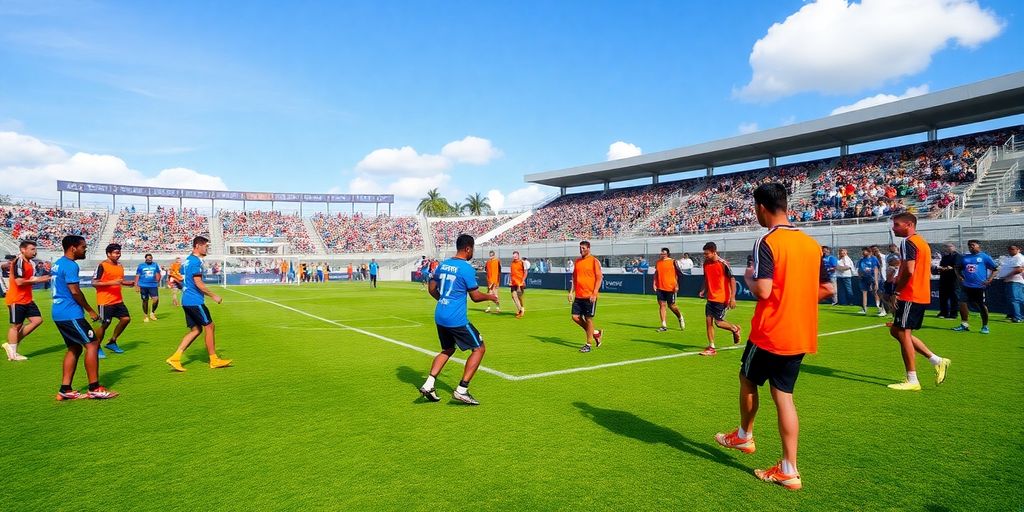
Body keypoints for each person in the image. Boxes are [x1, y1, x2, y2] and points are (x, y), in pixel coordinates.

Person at [714, 183, 832, 490]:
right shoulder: (810, 244)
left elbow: (764, 290)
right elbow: (827, 289)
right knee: (784, 397)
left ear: (761, 207)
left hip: (770, 332)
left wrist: (749, 278)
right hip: (800, 332)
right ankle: (789, 469)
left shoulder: (768, 240)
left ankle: (743, 436)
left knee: (746, 378)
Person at [418, 234, 499, 405]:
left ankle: (429, 384)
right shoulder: (466, 269)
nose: (473, 252)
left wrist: (443, 300)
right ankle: (462, 390)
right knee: (479, 348)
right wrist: (491, 297)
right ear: (468, 248)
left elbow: (432, 288)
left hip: (440, 314)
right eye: (473, 249)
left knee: (447, 349)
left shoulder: (443, 264)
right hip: (456, 319)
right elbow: (475, 297)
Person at [887, 212, 951, 391]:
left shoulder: (908, 242)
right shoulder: (921, 242)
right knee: (896, 331)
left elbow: (909, 270)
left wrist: (897, 291)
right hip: (919, 294)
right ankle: (937, 360)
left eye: (897, 224)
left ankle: (912, 380)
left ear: (909, 224)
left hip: (910, 294)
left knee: (903, 333)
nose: (894, 227)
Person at [52, 235, 118, 400]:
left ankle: (65, 389)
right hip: (70, 312)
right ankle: (94, 387)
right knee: (93, 343)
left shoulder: (57, 263)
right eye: (83, 247)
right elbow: (75, 291)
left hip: (58, 312)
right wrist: (90, 310)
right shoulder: (70, 265)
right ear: (73, 248)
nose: (85, 249)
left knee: (74, 348)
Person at [165, 236, 231, 372]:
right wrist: (214, 296)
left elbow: (180, 280)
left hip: (187, 301)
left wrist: (176, 283)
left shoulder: (187, 261)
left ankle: (175, 358)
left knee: (196, 330)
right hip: (195, 301)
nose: (207, 248)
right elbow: (198, 283)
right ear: (198, 246)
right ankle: (214, 360)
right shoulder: (195, 262)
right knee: (210, 326)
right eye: (206, 245)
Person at [4, 240, 51, 361]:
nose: (34, 252)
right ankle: (13, 353)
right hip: (16, 299)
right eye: (32, 249)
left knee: (37, 320)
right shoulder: (18, 261)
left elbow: (29, 278)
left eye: (35, 249)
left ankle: (11, 344)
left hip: (27, 298)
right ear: (22, 250)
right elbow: (19, 282)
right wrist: (39, 280)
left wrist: (41, 278)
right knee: (16, 325)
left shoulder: (30, 263)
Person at [698, 242, 740, 356]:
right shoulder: (706, 263)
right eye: (704, 254)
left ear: (714, 252)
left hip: (722, 298)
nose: (705, 256)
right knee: (708, 322)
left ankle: (735, 329)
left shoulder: (723, 264)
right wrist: (704, 290)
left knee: (719, 323)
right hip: (710, 297)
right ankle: (711, 347)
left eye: (707, 254)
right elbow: (706, 278)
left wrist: (732, 298)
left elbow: (732, 280)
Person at [93, 244, 131, 358]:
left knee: (126, 319)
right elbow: (94, 283)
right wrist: (113, 283)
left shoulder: (120, 266)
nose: (118, 255)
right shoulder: (102, 265)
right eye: (115, 252)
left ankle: (112, 341)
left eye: (119, 252)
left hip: (118, 300)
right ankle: (96, 347)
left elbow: (118, 281)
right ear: (109, 254)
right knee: (104, 324)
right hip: (105, 301)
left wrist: (126, 283)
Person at [953, 239, 998, 334]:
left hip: (979, 286)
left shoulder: (984, 257)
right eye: (969, 245)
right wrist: (959, 276)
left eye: (973, 245)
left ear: (979, 246)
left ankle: (985, 326)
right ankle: (964, 324)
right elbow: (957, 268)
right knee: (962, 303)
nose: (970, 247)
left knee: (981, 305)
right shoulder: (965, 258)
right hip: (966, 286)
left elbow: (995, 269)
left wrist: (989, 279)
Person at [571, 241, 603, 353]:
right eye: (580, 248)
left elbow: (599, 278)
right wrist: (571, 292)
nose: (581, 250)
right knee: (575, 317)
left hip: (590, 296)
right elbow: (574, 278)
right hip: (579, 295)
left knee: (588, 319)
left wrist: (594, 293)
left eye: (583, 248)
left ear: (589, 248)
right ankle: (595, 333)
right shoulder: (577, 261)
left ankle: (588, 344)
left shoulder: (594, 261)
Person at [652, 247, 684, 332]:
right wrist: (654, 283)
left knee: (671, 306)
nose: (662, 255)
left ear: (667, 254)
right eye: (661, 253)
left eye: (664, 253)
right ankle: (663, 324)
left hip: (670, 287)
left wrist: (677, 285)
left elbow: (678, 274)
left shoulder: (673, 262)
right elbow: (656, 273)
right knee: (662, 305)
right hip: (660, 287)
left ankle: (680, 317)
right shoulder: (658, 262)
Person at [934, 243, 960, 318]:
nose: (948, 248)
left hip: (953, 280)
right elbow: (941, 266)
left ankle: (953, 314)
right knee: (943, 297)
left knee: (954, 297)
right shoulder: (945, 257)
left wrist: (949, 268)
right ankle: (943, 312)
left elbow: (957, 266)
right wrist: (941, 268)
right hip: (944, 279)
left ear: (954, 247)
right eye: (947, 247)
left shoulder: (957, 256)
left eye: (950, 246)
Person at [999, 244, 1024, 322]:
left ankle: (1017, 317)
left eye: (1013, 249)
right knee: (1017, 299)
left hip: (1015, 281)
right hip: (1010, 281)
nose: (1010, 251)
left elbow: (1019, 270)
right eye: (1009, 249)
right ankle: (1017, 315)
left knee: (1014, 299)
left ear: (1018, 249)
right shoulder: (1011, 258)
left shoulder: (1018, 257)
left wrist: (1005, 275)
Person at [135, 253, 162, 322]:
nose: (149, 260)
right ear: (145, 259)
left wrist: (158, 280)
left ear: (152, 259)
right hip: (143, 285)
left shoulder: (155, 265)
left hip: (153, 285)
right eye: (147, 259)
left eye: (150, 258)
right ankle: (145, 316)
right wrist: (136, 285)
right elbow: (137, 275)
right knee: (145, 300)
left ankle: (152, 313)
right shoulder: (141, 266)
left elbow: (158, 273)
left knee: (156, 299)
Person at [857, 247, 882, 316]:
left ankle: (879, 308)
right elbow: (859, 269)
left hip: (873, 278)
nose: (863, 252)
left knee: (875, 292)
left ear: (869, 252)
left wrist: (876, 281)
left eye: (864, 251)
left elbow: (876, 269)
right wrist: (859, 275)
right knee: (864, 292)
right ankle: (864, 309)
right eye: (862, 251)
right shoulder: (861, 260)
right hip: (864, 278)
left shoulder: (873, 259)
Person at [870, 245, 888, 316]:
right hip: (876, 278)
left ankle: (884, 310)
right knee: (876, 293)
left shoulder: (884, 257)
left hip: (884, 278)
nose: (874, 251)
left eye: (875, 249)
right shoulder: (872, 259)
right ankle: (880, 308)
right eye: (873, 250)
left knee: (883, 294)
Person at [509, 251, 527, 318]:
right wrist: (510, 280)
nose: (514, 257)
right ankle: (520, 310)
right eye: (513, 256)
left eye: (516, 255)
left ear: (518, 256)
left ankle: (522, 308)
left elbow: (525, 272)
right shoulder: (512, 263)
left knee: (520, 297)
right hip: (513, 283)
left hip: (520, 283)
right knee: (513, 296)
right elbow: (512, 273)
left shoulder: (522, 262)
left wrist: (523, 280)